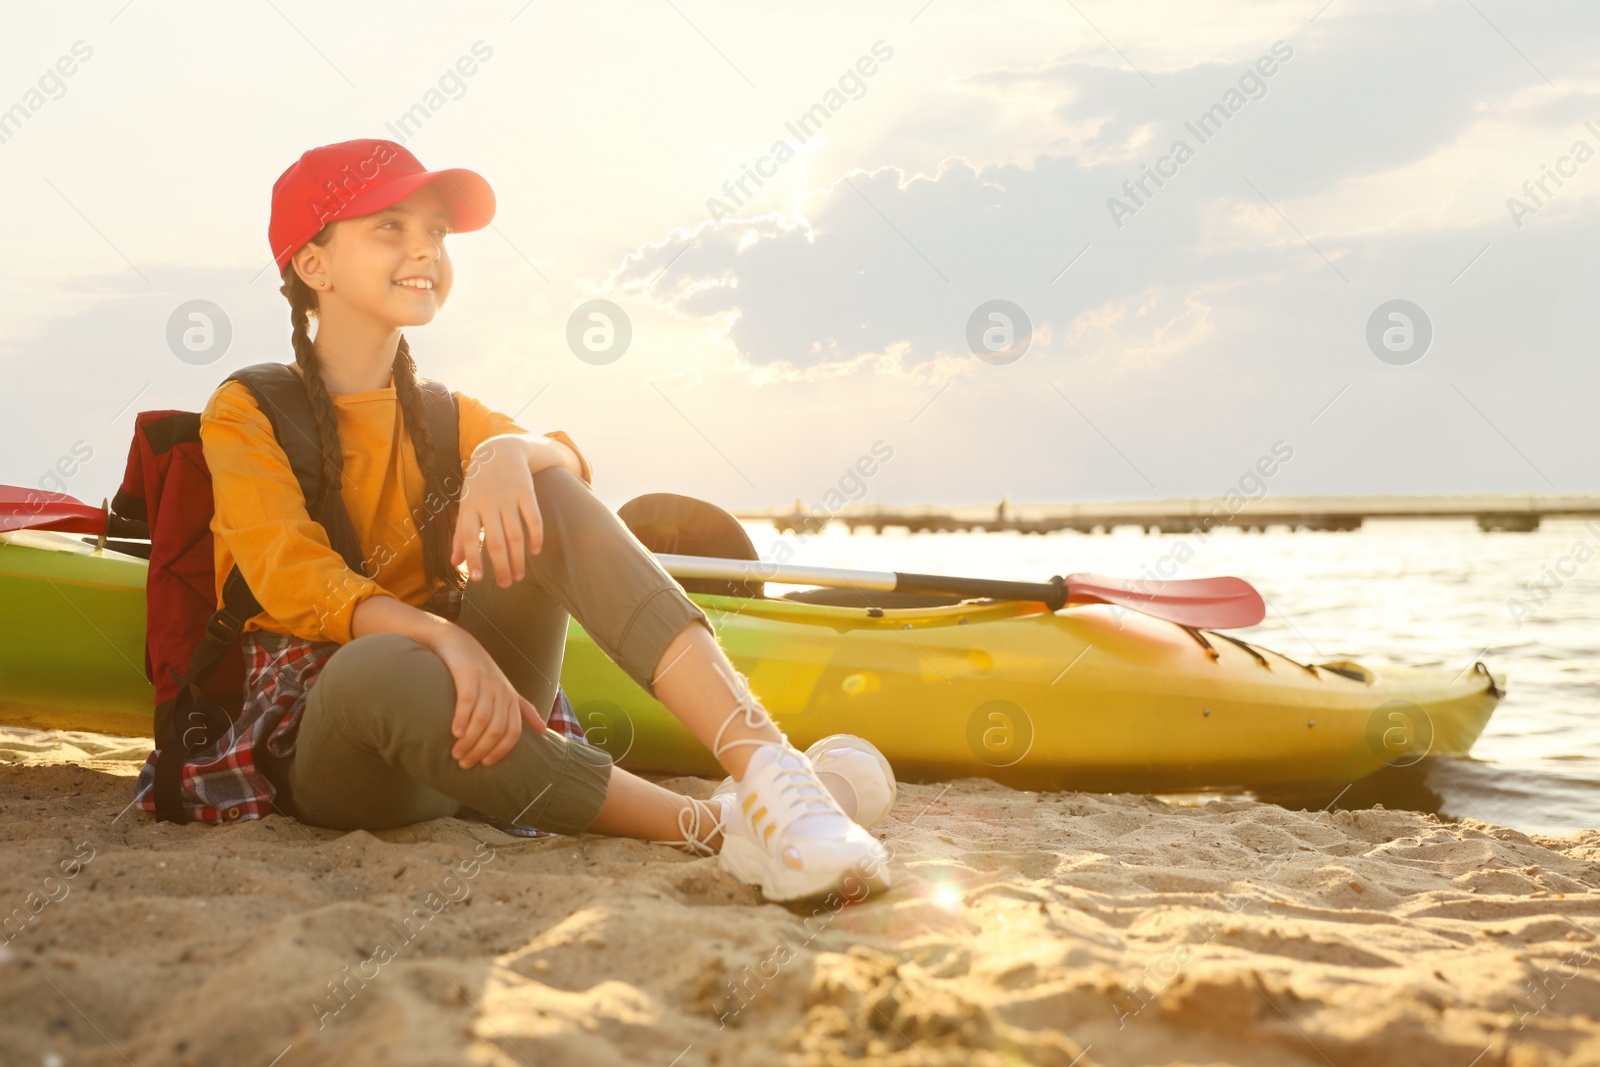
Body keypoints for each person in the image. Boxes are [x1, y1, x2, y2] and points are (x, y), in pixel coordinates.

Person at [130, 138, 891, 904]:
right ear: (313, 265)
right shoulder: (247, 408)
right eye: (390, 227)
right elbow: (291, 576)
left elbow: (573, 475)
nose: (424, 247)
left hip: (487, 709)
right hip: (346, 735)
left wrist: (507, 450)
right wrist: (445, 637)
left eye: (435, 230)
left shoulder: (443, 412)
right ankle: (717, 823)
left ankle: (772, 771)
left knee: (546, 485)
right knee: (381, 666)